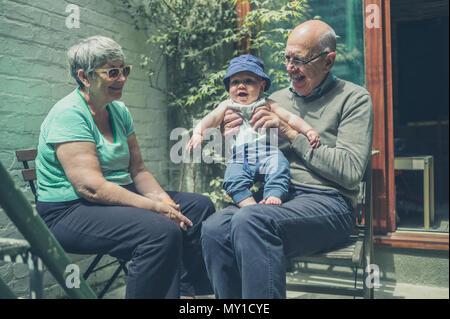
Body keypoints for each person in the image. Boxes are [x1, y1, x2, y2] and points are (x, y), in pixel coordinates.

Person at [200, 20, 374, 298]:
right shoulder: (273, 100)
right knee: (214, 228)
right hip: (278, 198)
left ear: (328, 62)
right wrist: (232, 139)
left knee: (252, 220)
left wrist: (291, 133)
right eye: (287, 58)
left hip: (330, 205)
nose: (290, 67)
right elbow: (254, 163)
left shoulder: (354, 99)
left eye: (300, 60)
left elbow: (350, 171)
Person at [35, 36, 214, 299]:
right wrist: (155, 208)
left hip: (114, 199)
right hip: (70, 211)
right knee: (158, 231)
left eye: (124, 70)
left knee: (198, 208)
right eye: (112, 72)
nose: (122, 79)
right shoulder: (69, 114)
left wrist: (166, 202)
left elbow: (138, 170)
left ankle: (184, 295)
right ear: (85, 77)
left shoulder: (118, 111)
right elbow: (91, 188)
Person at [186, 54, 320, 207]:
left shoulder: (267, 103)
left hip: (266, 151)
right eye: (235, 82)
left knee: (280, 165)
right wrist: (198, 132)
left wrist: (308, 131)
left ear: (261, 86)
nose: (241, 86)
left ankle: (273, 194)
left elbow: (290, 118)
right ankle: (248, 204)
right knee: (232, 177)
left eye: (248, 81)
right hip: (240, 154)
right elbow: (211, 117)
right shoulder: (227, 105)